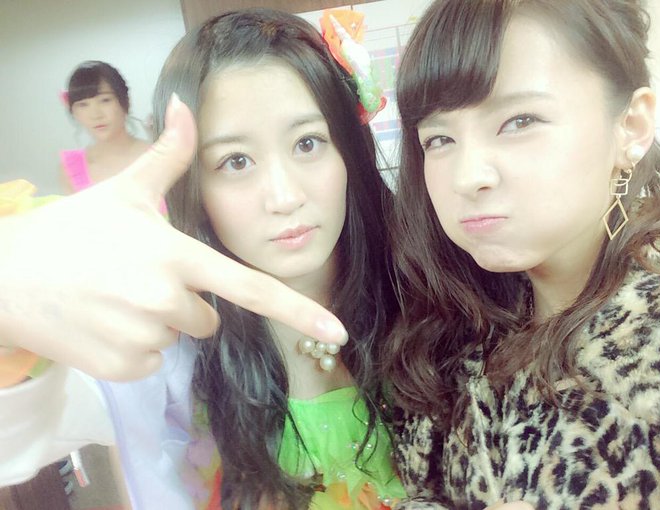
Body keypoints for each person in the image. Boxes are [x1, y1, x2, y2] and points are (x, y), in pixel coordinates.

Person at [1, 8, 405, 510]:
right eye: (236, 161)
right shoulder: (167, 341)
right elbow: (13, 444)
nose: (284, 196)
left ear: (348, 150)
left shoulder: (427, 301)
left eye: (307, 143)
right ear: (196, 185)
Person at [383, 0, 660, 509]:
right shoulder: (454, 325)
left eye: (520, 121)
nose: (467, 177)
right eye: (439, 138)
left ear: (631, 127)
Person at [60, 61, 149, 193]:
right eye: (83, 105)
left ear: (126, 101)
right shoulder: (71, 169)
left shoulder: (157, 156)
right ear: (74, 112)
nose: (96, 115)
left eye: (105, 100)